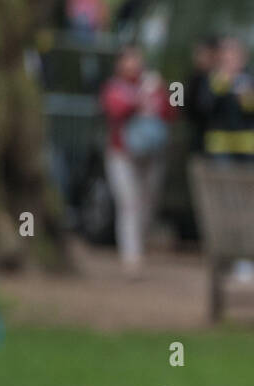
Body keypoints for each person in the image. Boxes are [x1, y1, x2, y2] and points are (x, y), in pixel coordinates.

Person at [99, 45, 172, 278]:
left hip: (153, 154)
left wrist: (165, 91)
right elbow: (115, 110)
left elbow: (173, 110)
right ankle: (131, 257)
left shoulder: (154, 83)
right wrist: (140, 98)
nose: (133, 65)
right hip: (122, 154)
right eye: (128, 60)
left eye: (136, 59)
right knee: (129, 203)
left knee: (147, 203)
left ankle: (139, 247)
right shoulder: (113, 87)